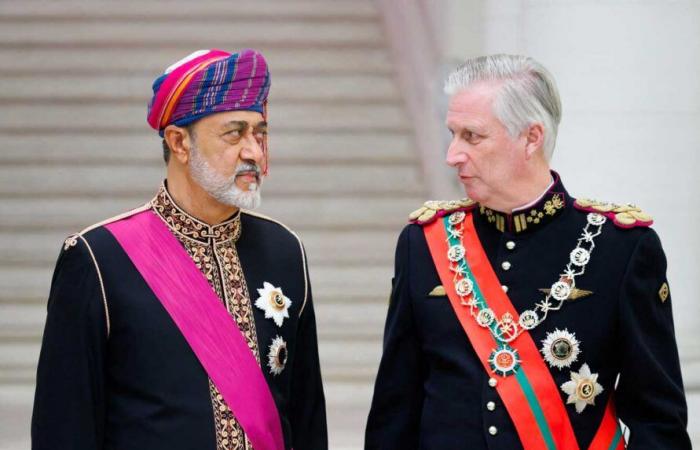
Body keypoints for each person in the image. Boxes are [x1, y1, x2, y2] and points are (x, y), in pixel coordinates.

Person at [365, 54, 690, 449]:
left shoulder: (620, 248)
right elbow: (393, 414)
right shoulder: (423, 244)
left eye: (472, 136)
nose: (452, 155)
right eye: (452, 134)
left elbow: (658, 421)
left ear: (531, 138)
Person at [31, 48, 327, 450]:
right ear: (179, 142)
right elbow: (64, 429)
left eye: (261, 133)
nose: (254, 152)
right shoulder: (98, 260)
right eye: (234, 133)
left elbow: (307, 418)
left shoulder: (285, 250)